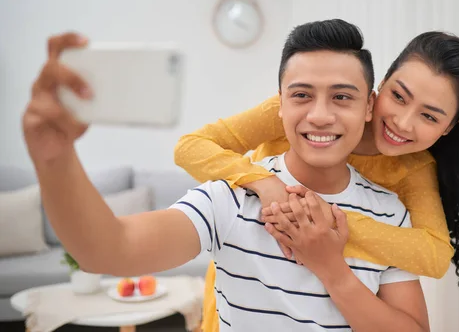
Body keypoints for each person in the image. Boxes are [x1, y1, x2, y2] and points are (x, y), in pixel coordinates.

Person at [22, 20, 430, 332]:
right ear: (280, 106)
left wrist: (331, 269)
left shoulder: (389, 212)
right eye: (302, 95)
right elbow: (108, 249)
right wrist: (55, 158)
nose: (320, 115)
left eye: (342, 96)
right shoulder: (231, 197)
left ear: (369, 107)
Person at [175, 26, 459, 331]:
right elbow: (192, 146)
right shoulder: (304, 108)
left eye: (429, 116)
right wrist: (265, 184)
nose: (402, 122)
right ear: (379, 88)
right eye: (399, 97)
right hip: (249, 288)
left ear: (449, 126)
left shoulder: (414, 167)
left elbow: (434, 254)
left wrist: (316, 221)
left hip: (329, 306)